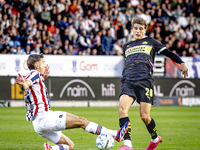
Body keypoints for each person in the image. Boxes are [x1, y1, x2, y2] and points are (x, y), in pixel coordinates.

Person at [15, 54, 130, 150]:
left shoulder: (35, 76)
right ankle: (115, 134)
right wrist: (24, 84)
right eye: (43, 62)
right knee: (82, 121)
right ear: (37, 65)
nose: (45, 65)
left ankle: (50, 148)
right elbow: (27, 84)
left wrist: (39, 79)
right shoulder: (34, 74)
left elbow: (28, 84)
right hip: (45, 117)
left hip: (38, 125)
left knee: (69, 146)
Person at [117, 17, 188, 150]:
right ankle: (127, 145)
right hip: (128, 81)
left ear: (145, 30)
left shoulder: (151, 42)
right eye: (136, 28)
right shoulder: (126, 46)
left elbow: (168, 53)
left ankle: (155, 138)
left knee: (144, 116)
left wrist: (181, 62)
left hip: (145, 82)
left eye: (141, 29)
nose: (138, 31)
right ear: (132, 29)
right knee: (122, 109)